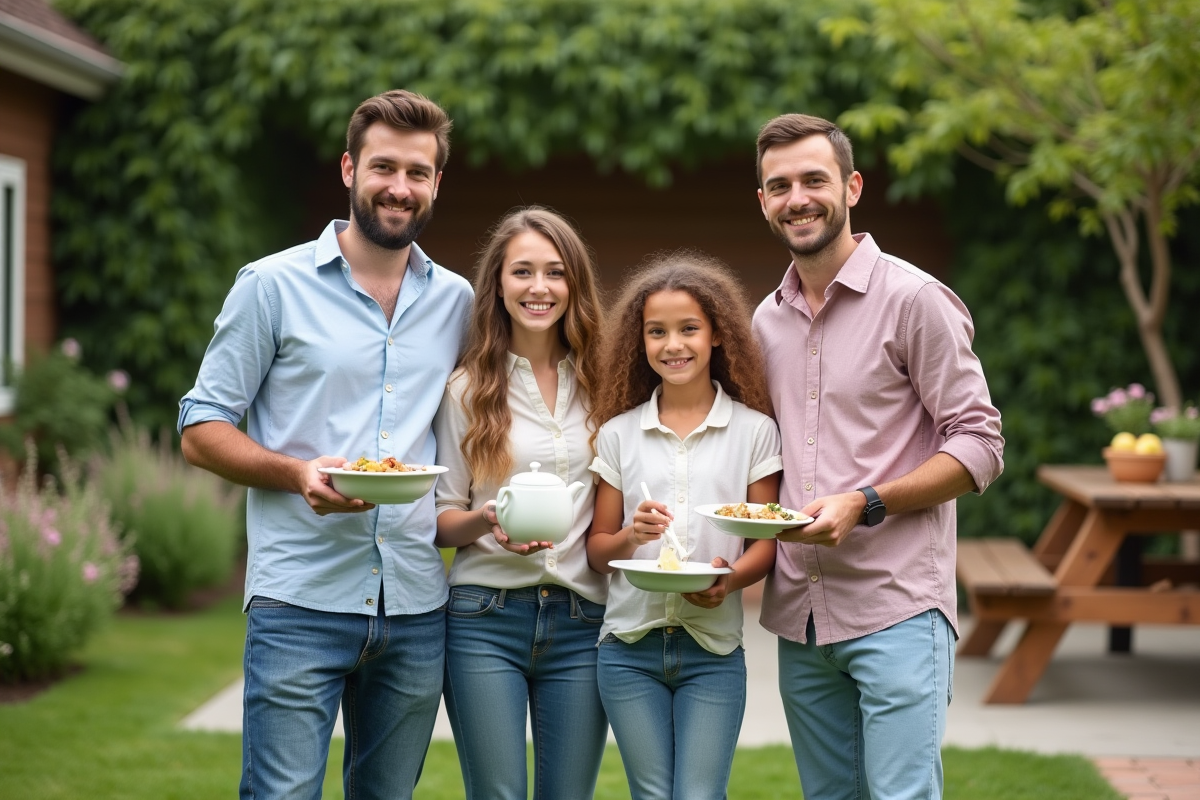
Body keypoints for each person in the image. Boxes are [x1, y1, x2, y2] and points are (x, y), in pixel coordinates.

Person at [177, 90, 473, 800]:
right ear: (349, 169)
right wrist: (296, 472)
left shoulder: (458, 300)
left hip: (413, 603)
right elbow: (200, 429)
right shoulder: (270, 285)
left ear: (437, 183)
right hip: (298, 600)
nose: (399, 187)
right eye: (383, 167)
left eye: (418, 172)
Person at [750, 112, 1005, 800]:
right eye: (780, 186)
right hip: (800, 613)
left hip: (897, 607)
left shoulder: (914, 299)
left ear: (852, 186)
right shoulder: (764, 320)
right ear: (764, 202)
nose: (797, 198)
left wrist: (868, 502)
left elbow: (980, 443)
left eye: (813, 179)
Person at [586, 253, 780, 800]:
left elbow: (764, 546)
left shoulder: (755, 432)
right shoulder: (619, 434)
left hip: (713, 652)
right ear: (639, 342)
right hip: (628, 649)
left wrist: (730, 579)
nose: (673, 345)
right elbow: (599, 551)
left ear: (717, 334)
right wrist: (632, 535)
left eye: (688, 328)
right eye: (657, 332)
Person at [431, 206, 608, 800]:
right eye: (522, 272)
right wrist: (486, 521)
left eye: (555, 273)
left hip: (584, 619)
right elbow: (439, 519)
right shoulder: (465, 389)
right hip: (484, 618)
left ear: (574, 285)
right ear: (498, 284)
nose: (539, 288)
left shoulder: (606, 383)